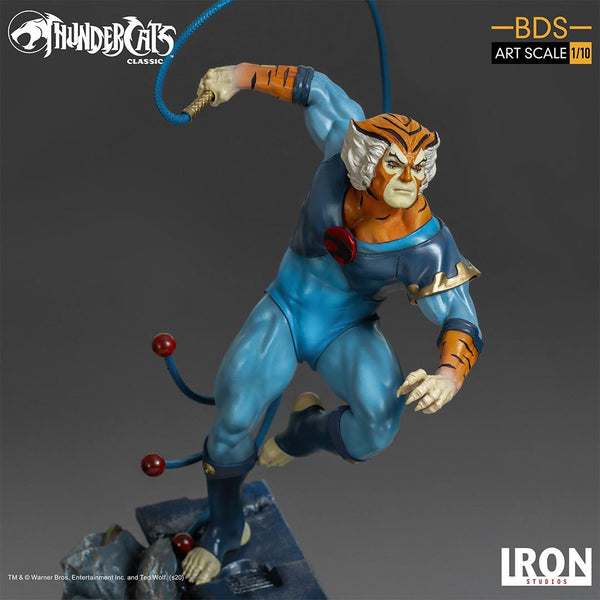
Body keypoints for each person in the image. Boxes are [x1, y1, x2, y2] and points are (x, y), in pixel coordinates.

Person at [181, 63, 483, 584]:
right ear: (365, 161)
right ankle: (227, 525)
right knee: (234, 412)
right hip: (286, 306)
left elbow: (459, 312)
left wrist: (448, 375)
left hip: (347, 326)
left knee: (379, 425)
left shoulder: (426, 243)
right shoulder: (344, 150)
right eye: (395, 164)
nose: (408, 180)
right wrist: (237, 76)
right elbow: (314, 87)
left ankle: (305, 433)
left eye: (417, 167)